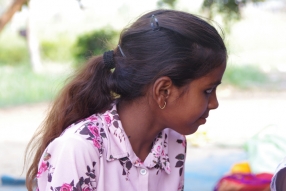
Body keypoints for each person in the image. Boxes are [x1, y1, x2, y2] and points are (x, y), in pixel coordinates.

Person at [25, 9, 227, 191]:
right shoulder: (78, 150)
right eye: (207, 91)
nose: (214, 103)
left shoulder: (173, 141)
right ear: (163, 91)